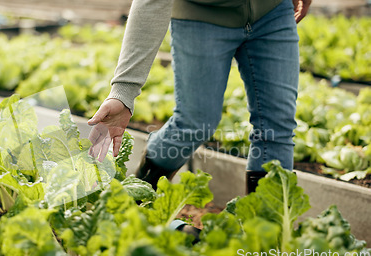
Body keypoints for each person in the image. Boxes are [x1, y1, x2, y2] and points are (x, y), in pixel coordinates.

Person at [88, 0, 311, 194]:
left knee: (277, 126)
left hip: (272, 13)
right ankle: (139, 196)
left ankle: (267, 235)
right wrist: (124, 91)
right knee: (195, 124)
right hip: (200, 16)